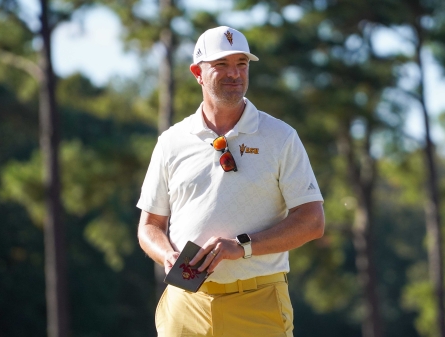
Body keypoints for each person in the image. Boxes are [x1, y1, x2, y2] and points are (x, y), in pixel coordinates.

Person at [136, 25, 325, 337]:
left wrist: (242, 246)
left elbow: (312, 221)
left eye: (242, 64)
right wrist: (166, 254)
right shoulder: (171, 141)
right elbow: (150, 226)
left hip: (258, 302)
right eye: (221, 65)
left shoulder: (281, 137)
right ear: (197, 72)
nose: (234, 74)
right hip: (185, 304)